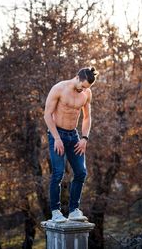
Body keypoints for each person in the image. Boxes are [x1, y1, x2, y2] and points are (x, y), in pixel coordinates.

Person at [44, 67, 98, 222]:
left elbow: (87, 117)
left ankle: (74, 210)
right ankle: (55, 212)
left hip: (73, 136)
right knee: (58, 173)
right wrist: (56, 138)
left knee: (81, 172)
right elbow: (47, 115)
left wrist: (84, 138)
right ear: (77, 78)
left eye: (87, 88)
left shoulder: (86, 93)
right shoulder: (59, 89)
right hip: (57, 134)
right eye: (83, 86)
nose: (84, 90)